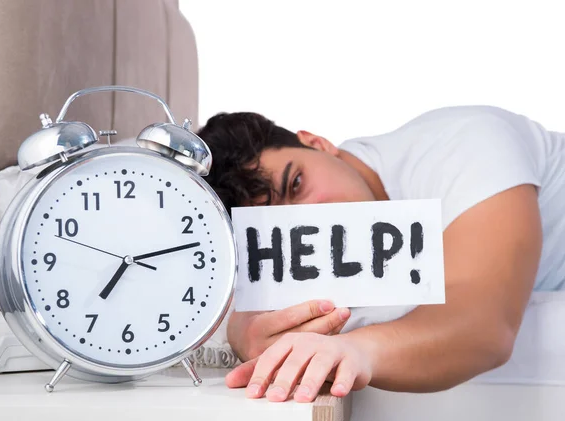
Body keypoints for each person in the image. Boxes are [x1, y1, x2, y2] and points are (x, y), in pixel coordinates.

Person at [195, 105, 565, 403]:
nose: (314, 217)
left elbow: (486, 327)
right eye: (284, 226)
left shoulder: (469, 144)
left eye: (297, 184)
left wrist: (357, 351)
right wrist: (244, 333)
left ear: (318, 143)